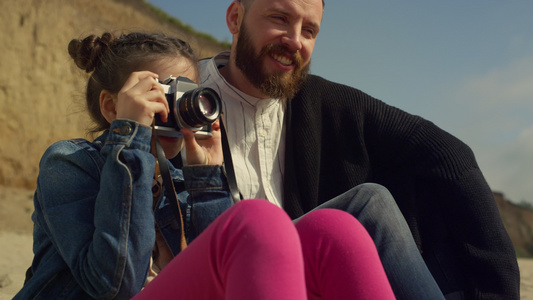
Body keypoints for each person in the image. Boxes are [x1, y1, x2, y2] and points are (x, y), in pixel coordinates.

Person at [15, 31, 401, 299]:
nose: (178, 108)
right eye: (162, 93)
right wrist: (130, 140)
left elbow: (225, 275)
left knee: (337, 230)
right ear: (113, 106)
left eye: (189, 94)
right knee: (258, 220)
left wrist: (207, 181)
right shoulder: (68, 163)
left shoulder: (175, 177)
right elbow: (114, 284)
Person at [198, 0, 520, 299]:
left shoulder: (324, 101)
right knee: (370, 205)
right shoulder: (182, 93)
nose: (295, 40)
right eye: (280, 18)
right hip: (224, 276)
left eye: (309, 30)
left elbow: (448, 155)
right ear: (235, 18)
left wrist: (497, 290)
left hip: (310, 279)